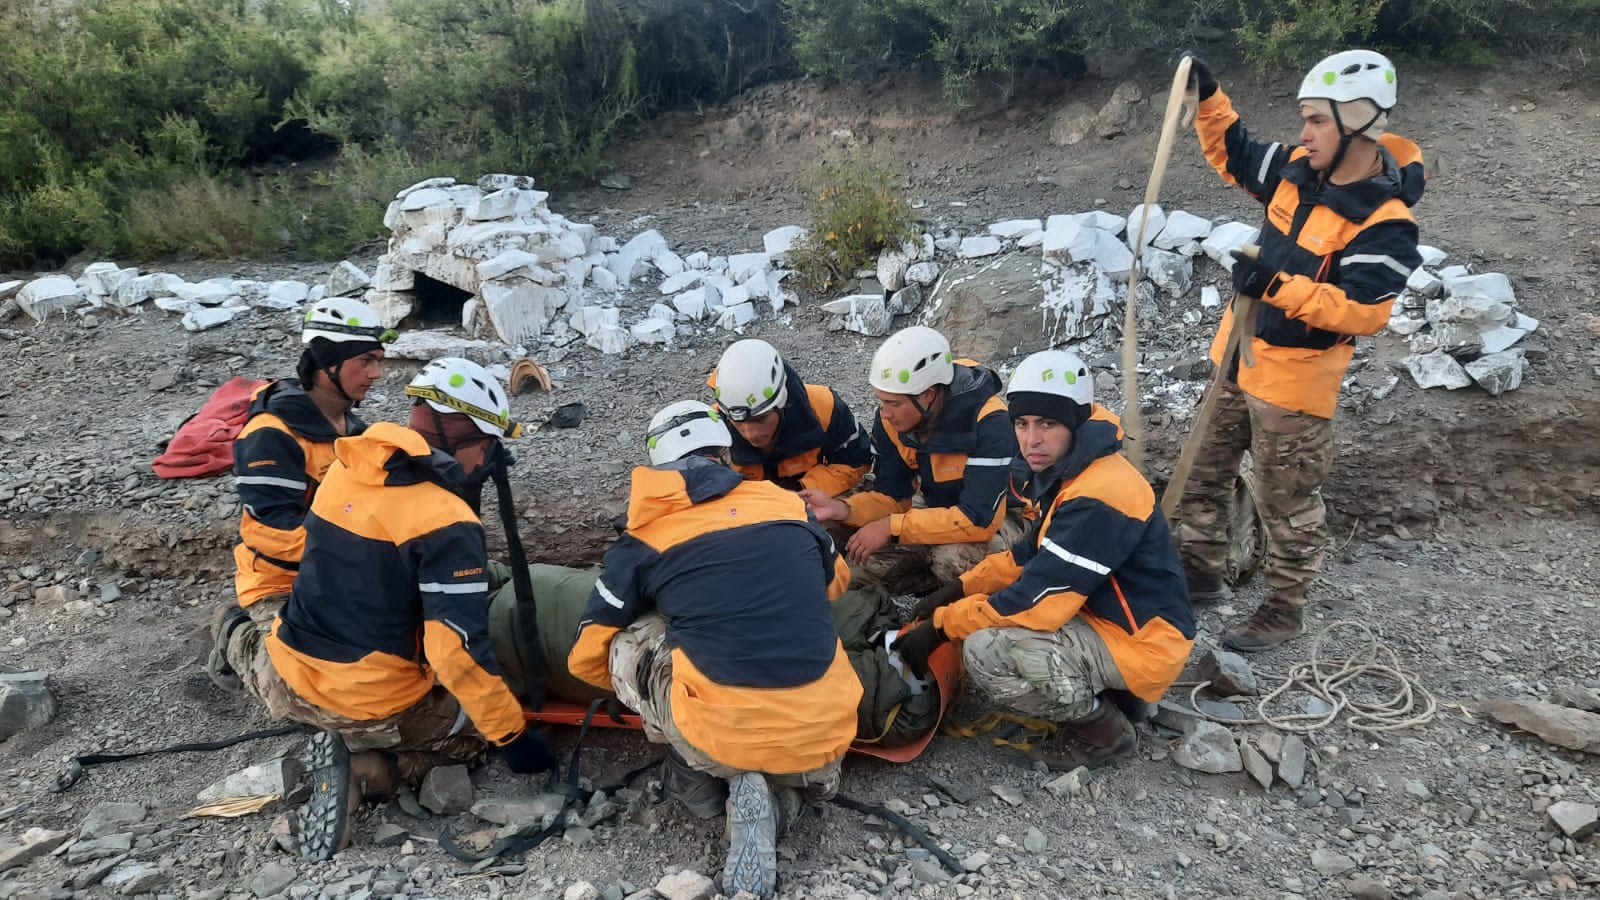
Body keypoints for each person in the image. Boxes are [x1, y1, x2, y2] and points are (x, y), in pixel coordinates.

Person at [215, 357, 557, 861]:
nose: (487, 460)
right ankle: (372, 770)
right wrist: (513, 737)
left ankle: (230, 635)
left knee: (260, 628)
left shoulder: (347, 470)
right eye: (487, 444)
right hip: (374, 705)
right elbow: (455, 654)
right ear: (459, 435)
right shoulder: (446, 521)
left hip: (286, 677)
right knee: (472, 737)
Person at [1178, 50, 1424, 651]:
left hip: (1296, 386)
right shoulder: (1295, 168)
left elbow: (1364, 310)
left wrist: (1278, 288)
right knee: (1200, 476)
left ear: (1358, 124)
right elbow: (1233, 151)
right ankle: (1199, 574)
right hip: (1237, 356)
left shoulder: (1385, 221)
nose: (1303, 133)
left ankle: (1284, 609)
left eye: (1316, 120)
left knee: (1286, 503)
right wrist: (1208, 97)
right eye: (1304, 119)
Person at [567, 400, 861, 900]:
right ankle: (784, 800)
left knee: (628, 640)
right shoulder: (789, 507)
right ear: (726, 453)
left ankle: (697, 772)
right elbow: (835, 583)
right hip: (825, 737)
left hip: (717, 733)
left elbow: (587, 654)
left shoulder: (643, 539)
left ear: (659, 466)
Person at [893, 350, 1195, 769]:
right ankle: (1114, 691)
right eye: (1022, 423)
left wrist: (944, 626)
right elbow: (1027, 555)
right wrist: (961, 587)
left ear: (1074, 423)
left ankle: (1103, 730)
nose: (1031, 439)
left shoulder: (1100, 495)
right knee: (992, 615)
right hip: (1118, 621)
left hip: (1142, 644)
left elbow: (1038, 603)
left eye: (1047, 424)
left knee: (988, 650)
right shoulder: (1076, 471)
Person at [802, 326, 1022, 591]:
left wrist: (892, 526)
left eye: (894, 404)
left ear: (928, 395)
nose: (885, 413)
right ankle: (926, 578)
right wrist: (844, 509)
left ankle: (972, 601)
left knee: (953, 560)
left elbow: (979, 519)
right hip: (936, 506)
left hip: (1004, 514)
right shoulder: (892, 421)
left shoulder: (990, 423)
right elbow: (893, 494)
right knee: (853, 570)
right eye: (882, 401)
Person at [229, 299, 395, 627]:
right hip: (281, 585)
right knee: (295, 677)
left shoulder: (356, 432)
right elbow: (273, 529)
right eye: (365, 361)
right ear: (327, 363)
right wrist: (358, 552)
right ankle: (235, 635)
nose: (376, 374)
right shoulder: (272, 434)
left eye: (378, 361)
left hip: (343, 574)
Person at [709, 338, 874, 497]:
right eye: (738, 421)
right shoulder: (710, 432)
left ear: (782, 403)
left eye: (761, 419)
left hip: (810, 500)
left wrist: (802, 490)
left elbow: (856, 461)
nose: (751, 433)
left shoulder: (825, 406)